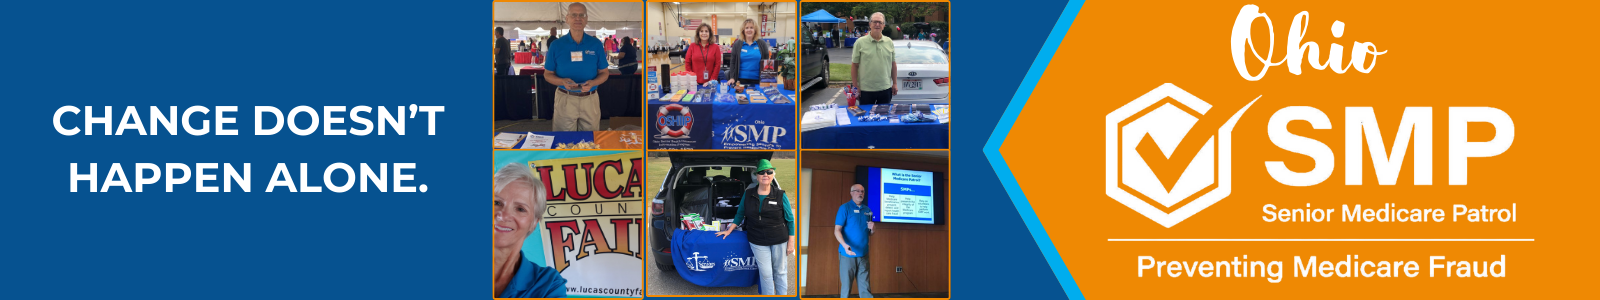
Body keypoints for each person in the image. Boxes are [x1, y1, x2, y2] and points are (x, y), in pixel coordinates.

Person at [716, 159, 795, 296]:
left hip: (779, 239)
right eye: (762, 172)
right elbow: (740, 214)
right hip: (757, 240)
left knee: (780, 272)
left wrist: (791, 242)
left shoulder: (781, 195)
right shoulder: (748, 194)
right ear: (756, 176)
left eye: (769, 172)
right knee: (766, 274)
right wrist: (729, 230)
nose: (766, 174)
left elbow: (790, 220)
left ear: (773, 174)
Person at [492, 163, 568, 298]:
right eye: (496, 202)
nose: (503, 215)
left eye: (520, 209)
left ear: (533, 223)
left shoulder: (548, 284)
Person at [543, 3, 609, 131]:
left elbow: (604, 73)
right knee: (564, 141)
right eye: (574, 15)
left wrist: (593, 82)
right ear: (567, 19)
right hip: (565, 99)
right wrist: (562, 81)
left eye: (581, 15)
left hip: (590, 99)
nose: (578, 18)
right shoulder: (556, 45)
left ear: (586, 19)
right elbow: (547, 74)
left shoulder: (596, 44)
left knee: (590, 141)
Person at [835, 184, 875, 298]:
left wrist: (873, 230)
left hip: (863, 254)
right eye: (857, 191)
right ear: (851, 193)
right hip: (848, 254)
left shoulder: (867, 210)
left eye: (862, 191)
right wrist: (844, 245)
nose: (860, 193)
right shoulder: (844, 208)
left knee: (865, 287)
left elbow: (869, 233)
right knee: (846, 287)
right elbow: (837, 230)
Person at [851, 13, 897, 105]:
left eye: (880, 22)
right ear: (870, 24)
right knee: (866, 118)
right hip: (866, 90)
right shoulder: (860, 42)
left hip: (885, 89)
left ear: (884, 26)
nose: (877, 25)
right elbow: (855, 65)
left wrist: (894, 83)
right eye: (875, 22)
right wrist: (856, 86)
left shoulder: (889, 42)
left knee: (884, 118)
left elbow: (893, 64)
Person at [727, 19, 772, 88]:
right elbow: (733, 62)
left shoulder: (762, 44)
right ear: (743, 30)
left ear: (755, 30)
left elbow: (766, 62)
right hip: (740, 80)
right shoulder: (737, 44)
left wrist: (768, 78)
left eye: (751, 27)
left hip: (758, 80)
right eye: (746, 28)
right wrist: (732, 77)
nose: (749, 30)